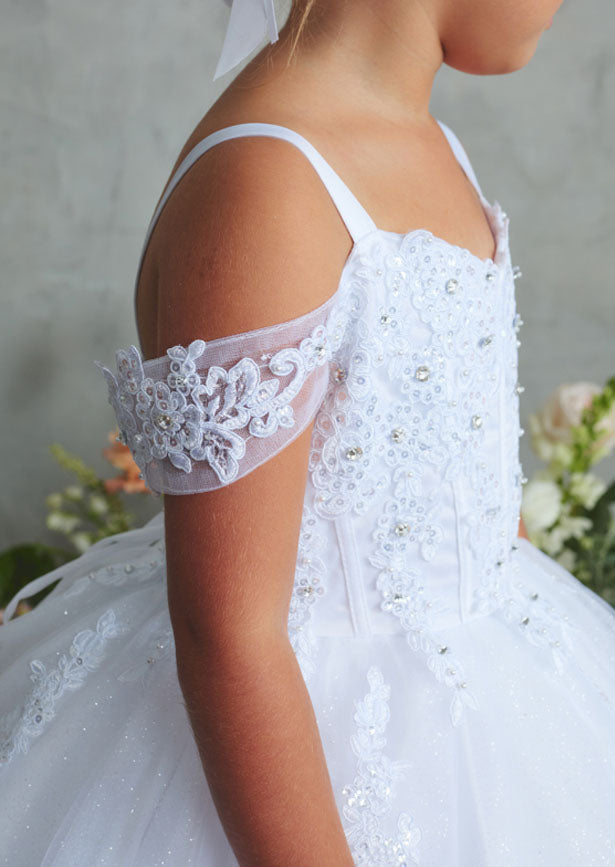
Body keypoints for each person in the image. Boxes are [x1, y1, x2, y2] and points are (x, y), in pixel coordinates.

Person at [2, 0, 614, 864]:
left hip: (485, 689)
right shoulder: (269, 185)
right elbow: (230, 633)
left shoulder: (430, 141)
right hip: (297, 736)